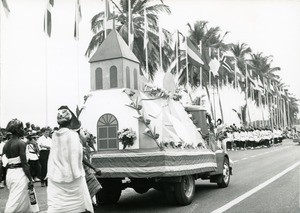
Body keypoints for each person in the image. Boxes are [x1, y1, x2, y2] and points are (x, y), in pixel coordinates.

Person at [47, 106, 94, 213]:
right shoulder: (73, 136)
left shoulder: (54, 135)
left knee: (57, 207)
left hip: (55, 177)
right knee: (76, 208)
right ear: (70, 121)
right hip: (73, 177)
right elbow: (78, 156)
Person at [2, 119, 34, 213]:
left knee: (23, 200)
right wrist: (30, 179)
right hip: (19, 174)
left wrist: (4, 178)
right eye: (22, 128)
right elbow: (24, 163)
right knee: (14, 202)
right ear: (18, 130)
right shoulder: (21, 143)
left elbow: (6, 163)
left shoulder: (6, 145)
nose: (23, 130)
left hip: (10, 174)